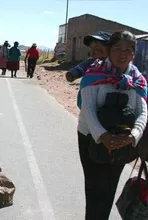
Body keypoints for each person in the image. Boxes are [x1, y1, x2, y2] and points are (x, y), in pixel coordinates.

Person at [78, 30, 147, 220]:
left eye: (128, 49)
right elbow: (88, 109)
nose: (122, 54)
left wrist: (133, 135)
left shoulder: (137, 79)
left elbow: (142, 110)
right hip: (90, 137)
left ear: (134, 53)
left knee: (109, 188)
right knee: (94, 189)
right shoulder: (94, 73)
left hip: (123, 140)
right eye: (117, 49)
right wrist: (103, 136)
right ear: (109, 51)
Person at [66, 31, 112, 109]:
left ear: (110, 49)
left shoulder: (113, 64)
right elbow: (80, 68)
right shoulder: (90, 62)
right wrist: (72, 74)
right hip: (86, 104)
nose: (92, 51)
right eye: (91, 48)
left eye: (97, 48)